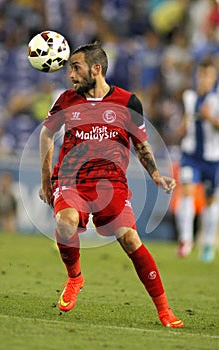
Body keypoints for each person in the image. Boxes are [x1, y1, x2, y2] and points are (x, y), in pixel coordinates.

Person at [39, 42, 183, 328]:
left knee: (130, 239)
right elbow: (45, 135)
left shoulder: (128, 102)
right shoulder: (66, 100)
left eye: (76, 68)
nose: (71, 75)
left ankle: (164, 310)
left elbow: (141, 143)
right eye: (70, 69)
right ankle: (75, 278)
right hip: (71, 180)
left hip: (111, 183)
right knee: (65, 223)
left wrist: (155, 175)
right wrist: (47, 183)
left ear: (97, 69)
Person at [175, 58, 219, 262]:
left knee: (210, 201)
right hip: (190, 155)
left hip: (212, 158)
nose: (203, 79)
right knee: (187, 191)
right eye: (201, 75)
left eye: (208, 75)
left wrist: (210, 118)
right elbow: (186, 122)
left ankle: (208, 243)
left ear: (214, 78)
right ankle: (186, 240)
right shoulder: (189, 97)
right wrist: (182, 129)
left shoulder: (217, 100)